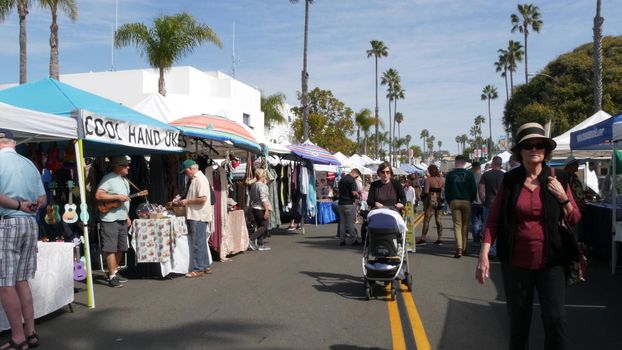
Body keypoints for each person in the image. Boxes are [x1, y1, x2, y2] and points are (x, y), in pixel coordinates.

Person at [476, 122, 581, 350]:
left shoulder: (559, 178)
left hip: (552, 261)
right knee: (519, 323)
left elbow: (575, 219)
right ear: (520, 151)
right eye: (528, 146)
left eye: (539, 145)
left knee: (555, 320)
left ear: (546, 151)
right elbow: (493, 219)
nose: (534, 149)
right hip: (516, 263)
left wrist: (563, 198)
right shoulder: (510, 180)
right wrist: (484, 254)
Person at [0, 129, 46, 349]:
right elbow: (42, 199)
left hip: (7, 222)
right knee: (21, 280)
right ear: (14, 143)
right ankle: (31, 333)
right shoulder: (28, 163)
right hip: (30, 223)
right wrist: (29, 206)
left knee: (5, 283)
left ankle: (18, 337)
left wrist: (18, 205)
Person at [96, 156, 132, 288]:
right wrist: (117, 196)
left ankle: (115, 271)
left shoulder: (124, 180)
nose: (127, 167)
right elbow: (98, 195)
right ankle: (111, 276)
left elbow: (125, 200)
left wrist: (127, 216)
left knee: (121, 247)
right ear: (117, 167)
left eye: (127, 165)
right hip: (110, 219)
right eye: (124, 165)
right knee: (110, 248)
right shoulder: (108, 178)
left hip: (122, 218)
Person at [176, 159, 214, 277]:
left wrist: (187, 201)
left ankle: (198, 268)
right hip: (198, 214)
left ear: (190, 169)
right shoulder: (197, 179)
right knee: (201, 241)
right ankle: (205, 265)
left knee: (198, 242)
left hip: (198, 215)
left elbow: (202, 199)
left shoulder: (199, 179)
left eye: (186, 171)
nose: (186, 174)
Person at [445, 155, 477, 258]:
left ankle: (459, 248)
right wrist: (471, 199)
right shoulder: (469, 174)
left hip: (454, 200)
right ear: (464, 163)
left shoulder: (450, 174)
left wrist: (449, 201)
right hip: (466, 201)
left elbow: (447, 190)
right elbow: (473, 189)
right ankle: (464, 248)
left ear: (456, 162)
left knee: (457, 225)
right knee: (465, 225)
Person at [478, 156, 505, 258]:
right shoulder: (505, 175)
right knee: (500, 227)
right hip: (501, 205)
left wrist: (482, 200)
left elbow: (481, 189)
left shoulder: (486, 174)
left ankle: (490, 250)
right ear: (501, 164)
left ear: (493, 163)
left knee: (488, 227)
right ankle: (498, 249)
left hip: (488, 204)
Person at [416, 165, 444, 245]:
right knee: (438, 220)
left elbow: (426, 192)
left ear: (431, 171)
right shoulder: (443, 179)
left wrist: (423, 197)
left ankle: (423, 238)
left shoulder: (428, 180)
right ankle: (439, 239)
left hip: (431, 201)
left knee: (427, 220)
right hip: (440, 201)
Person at [248, 168, 272, 251]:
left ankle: (260, 244)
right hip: (261, 208)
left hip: (255, 207)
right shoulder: (262, 185)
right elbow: (263, 198)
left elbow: (251, 196)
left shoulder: (254, 184)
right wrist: (266, 210)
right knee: (264, 226)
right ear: (263, 176)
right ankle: (251, 239)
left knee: (260, 226)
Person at [564, 156, 587, 241]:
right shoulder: (567, 176)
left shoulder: (573, 176)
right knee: (573, 231)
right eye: (575, 164)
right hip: (571, 208)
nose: (577, 165)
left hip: (577, 207)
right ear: (569, 165)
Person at [337, 168, 361, 246]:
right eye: (357, 176)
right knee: (350, 223)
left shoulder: (342, 179)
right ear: (355, 173)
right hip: (349, 203)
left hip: (341, 203)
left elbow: (338, 190)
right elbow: (354, 193)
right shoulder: (351, 180)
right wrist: (358, 195)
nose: (356, 178)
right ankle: (353, 240)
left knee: (342, 223)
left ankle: (342, 240)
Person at [470, 162, 483, 246]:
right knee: (484, 221)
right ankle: (483, 237)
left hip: (473, 202)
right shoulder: (483, 176)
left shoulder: (470, 177)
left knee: (475, 221)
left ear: (473, 168)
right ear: (479, 167)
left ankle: (476, 240)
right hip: (483, 202)